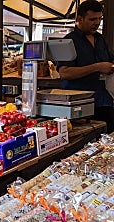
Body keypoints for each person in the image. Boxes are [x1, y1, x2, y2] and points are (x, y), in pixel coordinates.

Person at [58, 0, 114, 132]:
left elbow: (110, 61)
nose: (97, 22)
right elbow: (65, 72)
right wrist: (97, 67)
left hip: (103, 101)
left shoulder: (100, 40)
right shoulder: (67, 41)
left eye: (99, 18)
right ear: (79, 19)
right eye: (92, 19)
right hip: (79, 106)